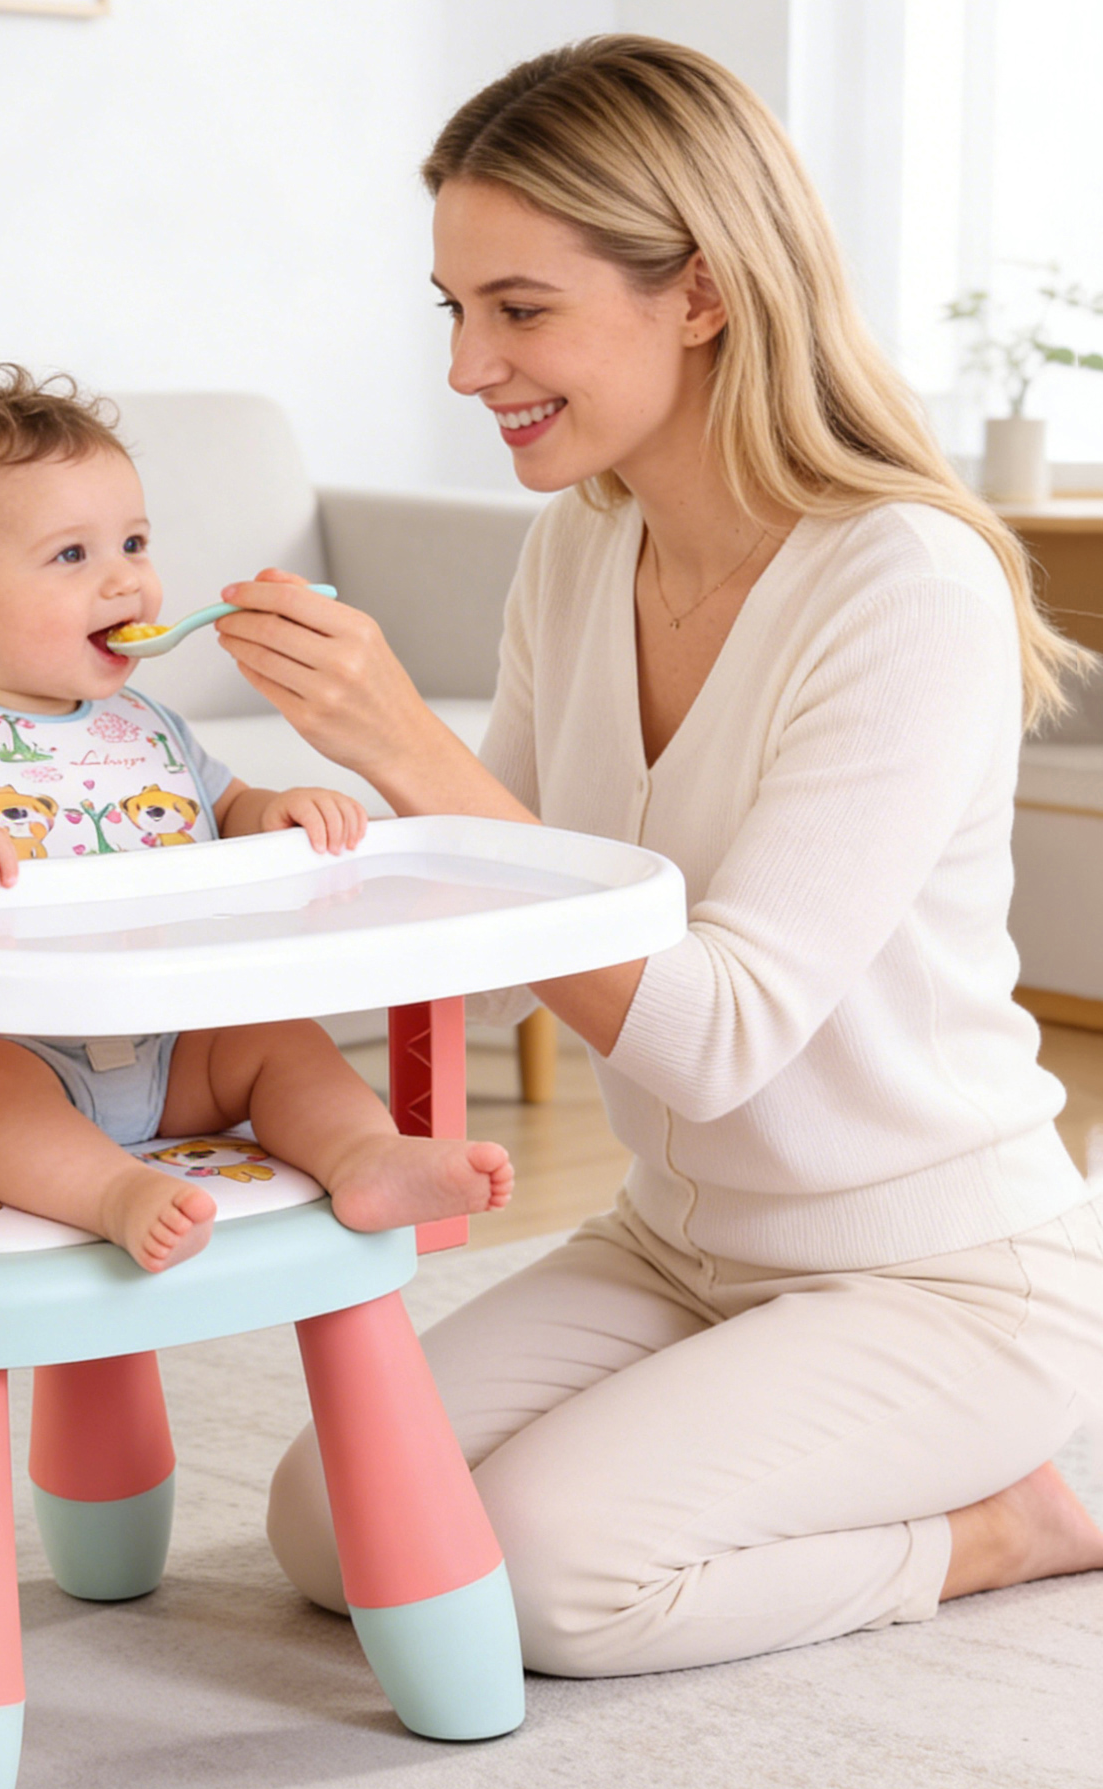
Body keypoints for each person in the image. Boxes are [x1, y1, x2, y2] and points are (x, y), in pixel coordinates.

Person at [230, 37, 1103, 1676]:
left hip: (940, 1270)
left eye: (522, 306)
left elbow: (715, 1033)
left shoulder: (903, 581)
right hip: (679, 1241)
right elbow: (485, 935)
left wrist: (407, 748)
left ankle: (1003, 1523)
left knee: (550, 1582)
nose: (468, 364)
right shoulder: (583, 544)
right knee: (337, 1524)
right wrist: (320, 827)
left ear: (698, 293)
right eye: (454, 309)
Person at [0, 366, 513, 1275]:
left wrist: (274, 810)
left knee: (279, 1042)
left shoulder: (148, 726)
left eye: (133, 542)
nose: (126, 579)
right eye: (72, 556)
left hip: (168, 1044)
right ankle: (112, 1194)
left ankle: (362, 1156)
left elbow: (221, 807)